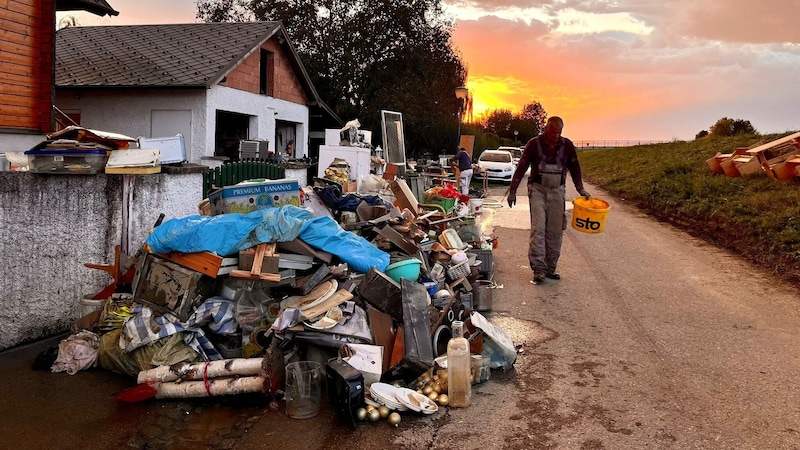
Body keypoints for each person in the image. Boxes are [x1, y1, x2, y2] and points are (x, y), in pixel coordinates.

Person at [507, 116, 590, 284]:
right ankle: (539, 269)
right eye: (553, 132)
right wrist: (513, 190)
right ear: (546, 129)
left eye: (559, 133)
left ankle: (551, 268)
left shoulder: (567, 146)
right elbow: (522, 166)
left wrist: (581, 188)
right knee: (538, 229)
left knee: (555, 231)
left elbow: (575, 168)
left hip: (557, 191)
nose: (556, 136)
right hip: (538, 190)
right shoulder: (533, 144)